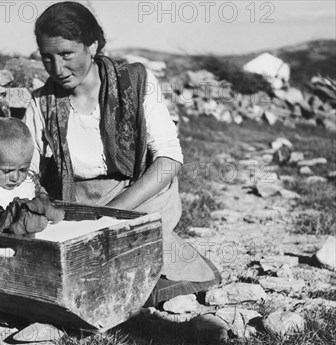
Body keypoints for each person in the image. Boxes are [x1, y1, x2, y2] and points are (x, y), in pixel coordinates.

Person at [24, 1, 221, 305]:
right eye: (47, 58)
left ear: (92, 45)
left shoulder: (136, 82)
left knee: (156, 258)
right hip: (79, 206)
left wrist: (110, 216)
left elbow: (169, 161)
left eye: (66, 54)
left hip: (140, 198)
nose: (57, 69)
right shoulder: (42, 103)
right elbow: (29, 172)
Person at [0, 117, 64, 235]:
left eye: (23, 169)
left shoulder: (30, 183)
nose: (15, 177)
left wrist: (48, 208)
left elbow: (44, 200)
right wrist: (12, 217)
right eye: (7, 171)